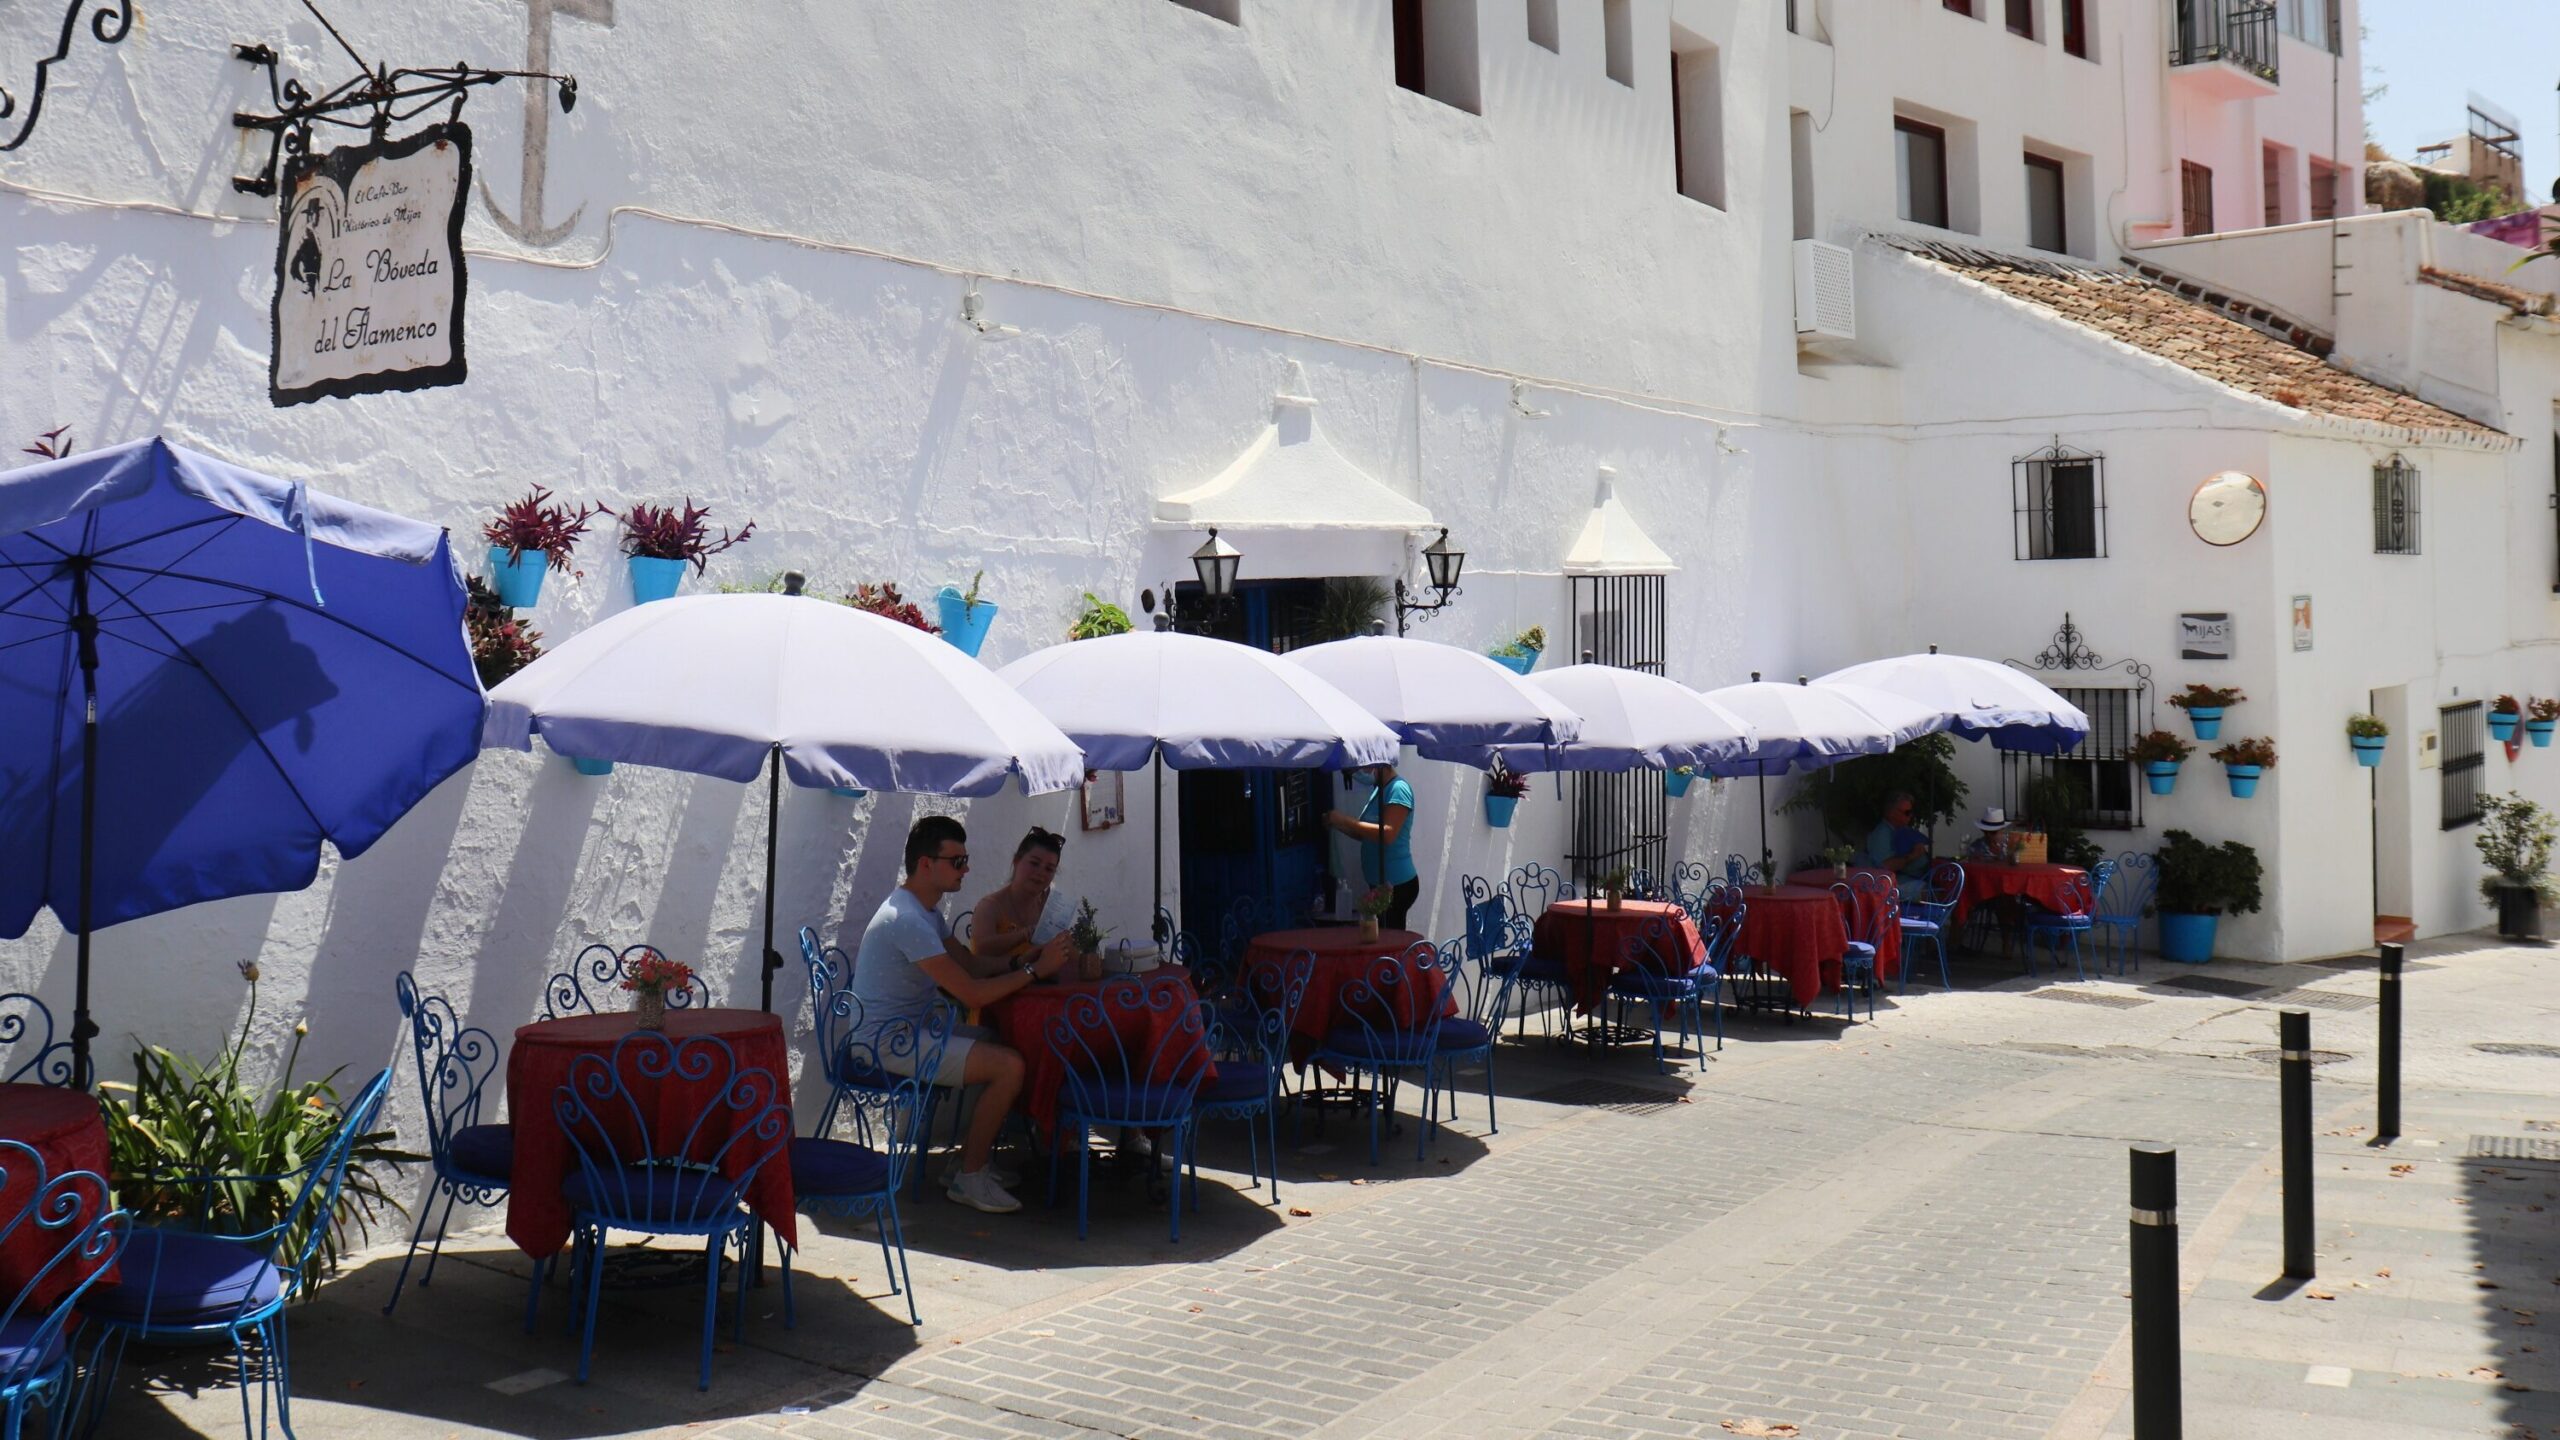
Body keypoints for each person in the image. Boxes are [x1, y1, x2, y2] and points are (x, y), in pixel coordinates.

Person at [848, 815, 1075, 1215]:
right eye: (957, 861)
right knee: (1008, 1066)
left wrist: (1028, 956)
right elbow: (971, 992)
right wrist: (1033, 971)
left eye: (965, 859)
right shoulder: (908, 920)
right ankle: (970, 1178)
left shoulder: (925, 912)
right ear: (925, 864)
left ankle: (967, 1161)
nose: (966, 869)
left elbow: (971, 966)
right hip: (883, 1045)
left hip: (908, 1032)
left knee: (1001, 1043)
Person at [968, 827, 1103, 981]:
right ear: (1016, 861)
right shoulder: (990, 906)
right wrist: (1024, 934)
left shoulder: (1049, 908)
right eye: (1034, 863)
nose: (1041, 873)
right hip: (995, 996)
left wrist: (1067, 944)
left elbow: (1071, 960)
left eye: (1049, 869)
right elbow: (980, 950)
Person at [1324, 761, 1418, 930]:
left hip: (1395, 883)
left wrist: (1346, 820)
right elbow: (1365, 834)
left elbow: (1388, 834)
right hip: (1379, 882)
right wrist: (1338, 824)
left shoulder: (1398, 789)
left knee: (1390, 940)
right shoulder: (1378, 790)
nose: (1364, 770)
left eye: (1367, 765)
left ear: (1382, 764)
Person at [1861, 792, 1932, 893]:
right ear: (1891, 812)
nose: (1911, 816)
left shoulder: (1900, 830)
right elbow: (1885, 866)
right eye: (1907, 812)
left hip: (1920, 876)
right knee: (1938, 893)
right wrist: (1912, 855)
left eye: (1911, 812)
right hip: (1896, 884)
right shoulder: (1882, 833)